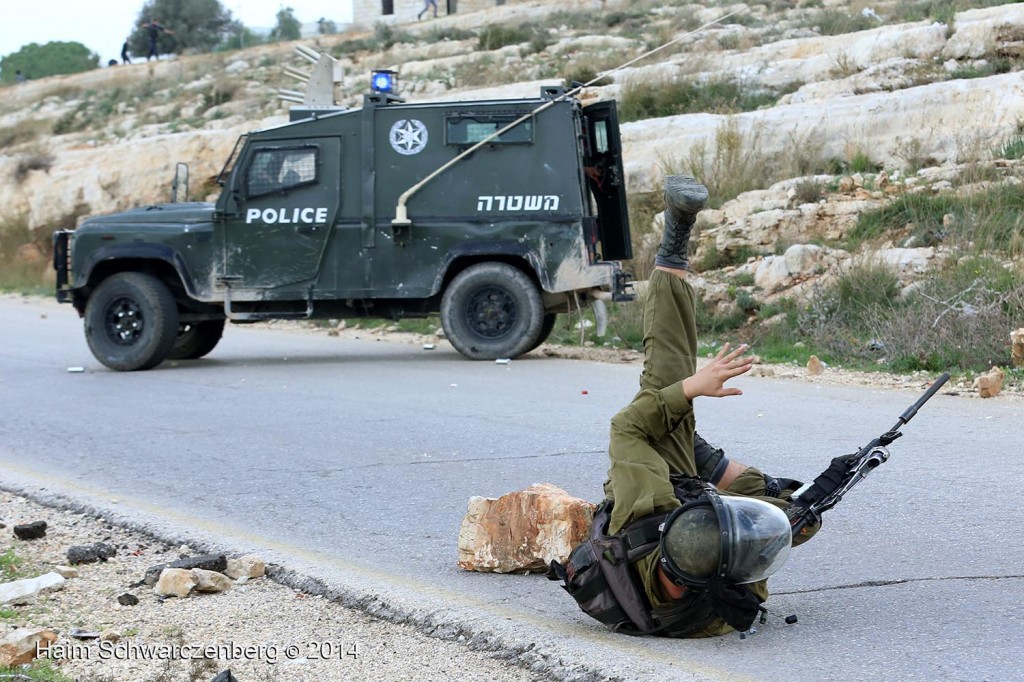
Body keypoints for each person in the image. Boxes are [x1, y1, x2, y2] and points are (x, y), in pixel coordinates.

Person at [553, 176, 822, 638]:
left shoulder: (645, 514)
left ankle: (673, 247)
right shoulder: (732, 597)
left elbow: (627, 429)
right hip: (698, 503)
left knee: (665, 382)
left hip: (666, 480)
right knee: (790, 512)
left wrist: (690, 391)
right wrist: (801, 508)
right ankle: (699, 452)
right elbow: (774, 532)